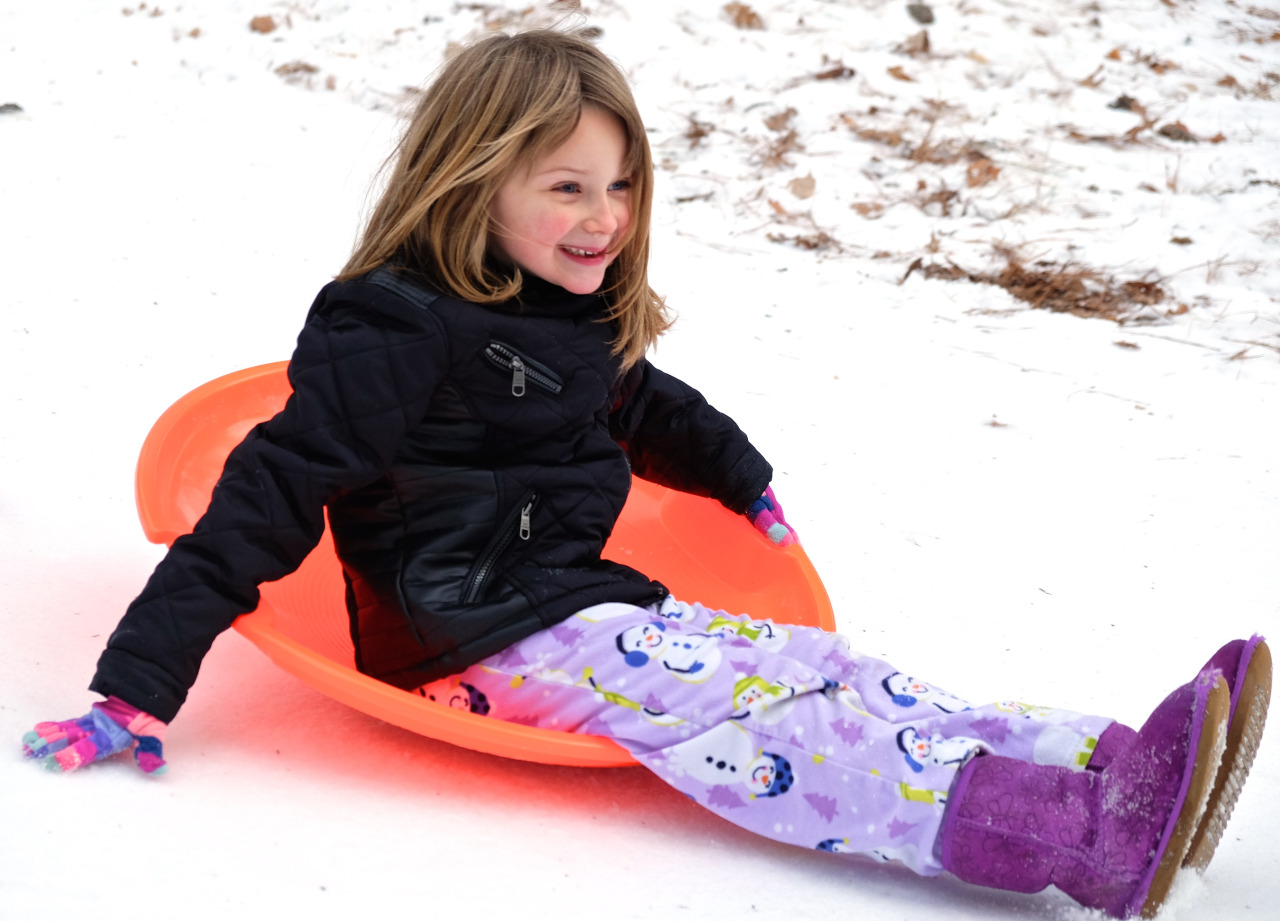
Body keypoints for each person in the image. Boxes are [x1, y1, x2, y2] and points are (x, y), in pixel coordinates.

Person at [22, 28, 1269, 920]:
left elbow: (630, 396)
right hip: (467, 637)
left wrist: (736, 470)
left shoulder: (560, 307)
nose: (603, 215)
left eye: (618, 184)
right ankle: (1066, 841)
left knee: (821, 667)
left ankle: (1098, 758)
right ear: (471, 181)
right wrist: (139, 684)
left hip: (572, 601)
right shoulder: (390, 325)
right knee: (761, 721)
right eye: (564, 186)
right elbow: (275, 484)